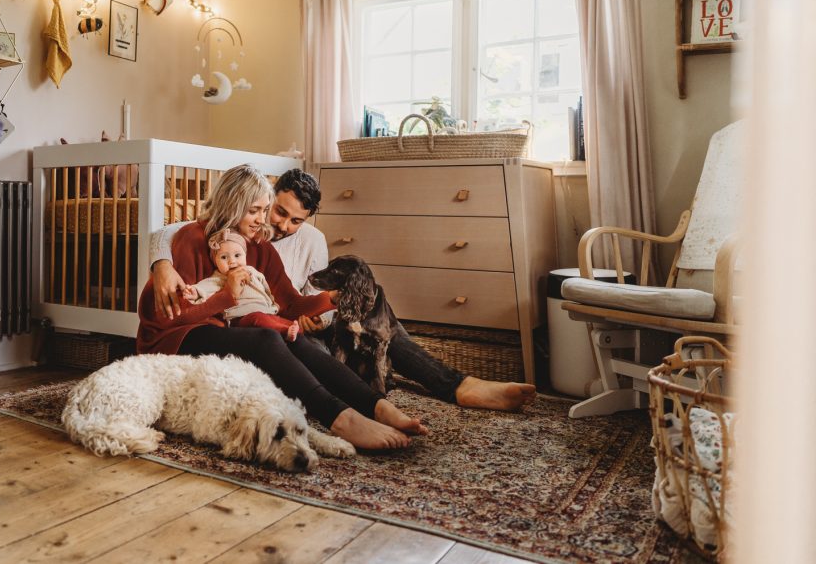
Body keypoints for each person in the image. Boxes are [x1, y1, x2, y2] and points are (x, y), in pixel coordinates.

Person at [150, 168, 537, 412]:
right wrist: (161, 262)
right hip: (266, 327)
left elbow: (299, 298)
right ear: (264, 200)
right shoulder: (232, 235)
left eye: (294, 219)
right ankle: (374, 400)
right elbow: (174, 234)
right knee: (309, 348)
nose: (281, 224)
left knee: (373, 302)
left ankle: (456, 386)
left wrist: (335, 303)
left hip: (308, 322)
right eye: (276, 212)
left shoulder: (305, 242)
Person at [137, 164, 427, 451]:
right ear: (232, 205)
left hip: (220, 330)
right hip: (175, 336)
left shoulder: (259, 247)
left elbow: (290, 304)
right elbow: (172, 316)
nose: (260, 219)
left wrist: (332, 299)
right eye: (253, 210)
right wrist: (226, 296)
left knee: (292, 336)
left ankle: (375, 406)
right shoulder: (193, 238)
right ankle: (340, 419)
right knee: (267, 337)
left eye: (264, 210)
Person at [183, 228, 306, 342]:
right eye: (224, 257)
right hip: (241, 318)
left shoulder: (252, 271)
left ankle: (296, 331)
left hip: (267, 311)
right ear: (215, 261)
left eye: (237, 255)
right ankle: (285, 332)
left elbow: (265, 288)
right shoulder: (220, 278)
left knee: (281, 321)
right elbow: (205, 287)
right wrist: (194, 291)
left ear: (245, 256)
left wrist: (272, 303)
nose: (232, 261)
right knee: (258, 319)